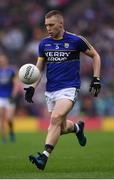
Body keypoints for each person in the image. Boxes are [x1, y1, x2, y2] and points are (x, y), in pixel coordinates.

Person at [24, 10, 101, 170]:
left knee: (55, 118)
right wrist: (32, 86)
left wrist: (96, 78)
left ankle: (43, 157)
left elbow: (95, 56)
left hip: (69, 88)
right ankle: (77, 128)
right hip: (50, 90)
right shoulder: (44, 44)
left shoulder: (76, 40)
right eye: (46, 25)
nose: (48, 29)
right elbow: (39, 67)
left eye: (51, 25)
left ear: (61, 24)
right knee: (60, 126)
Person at [0, 53, 18, 143]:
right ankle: (4, 139)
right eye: (0, 61)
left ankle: (11, 131)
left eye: (3, 60)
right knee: (1, 119)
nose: (1, 62)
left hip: (9, 97)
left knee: (9, 118)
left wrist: (13, 94)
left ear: (6, 61)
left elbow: (15, 84)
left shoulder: (11, 71)